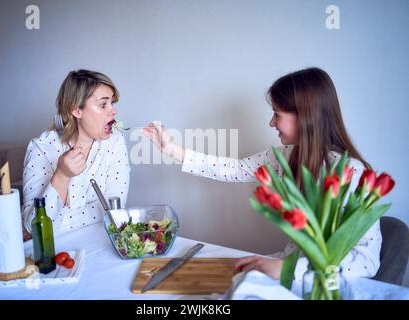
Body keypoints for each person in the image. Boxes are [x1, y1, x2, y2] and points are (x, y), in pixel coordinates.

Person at [143, 67, 381, 281]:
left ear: (306, 116)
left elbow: (366, 262)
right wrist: (171, 149)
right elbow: (235, 169)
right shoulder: (286, 156)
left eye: (277, 114)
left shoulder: (354, 175)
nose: (271, 123)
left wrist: (287, 269)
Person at [22, 70, 130, 239]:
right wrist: (62, 176)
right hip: (55, 252)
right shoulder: (42, 148)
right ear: (76, 111)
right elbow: (34, 228)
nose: (113, 111)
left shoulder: (115, 142)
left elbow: (114, 211)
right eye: (103, 105)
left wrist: (62, 219)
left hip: (99, 243)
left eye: (112, 103)